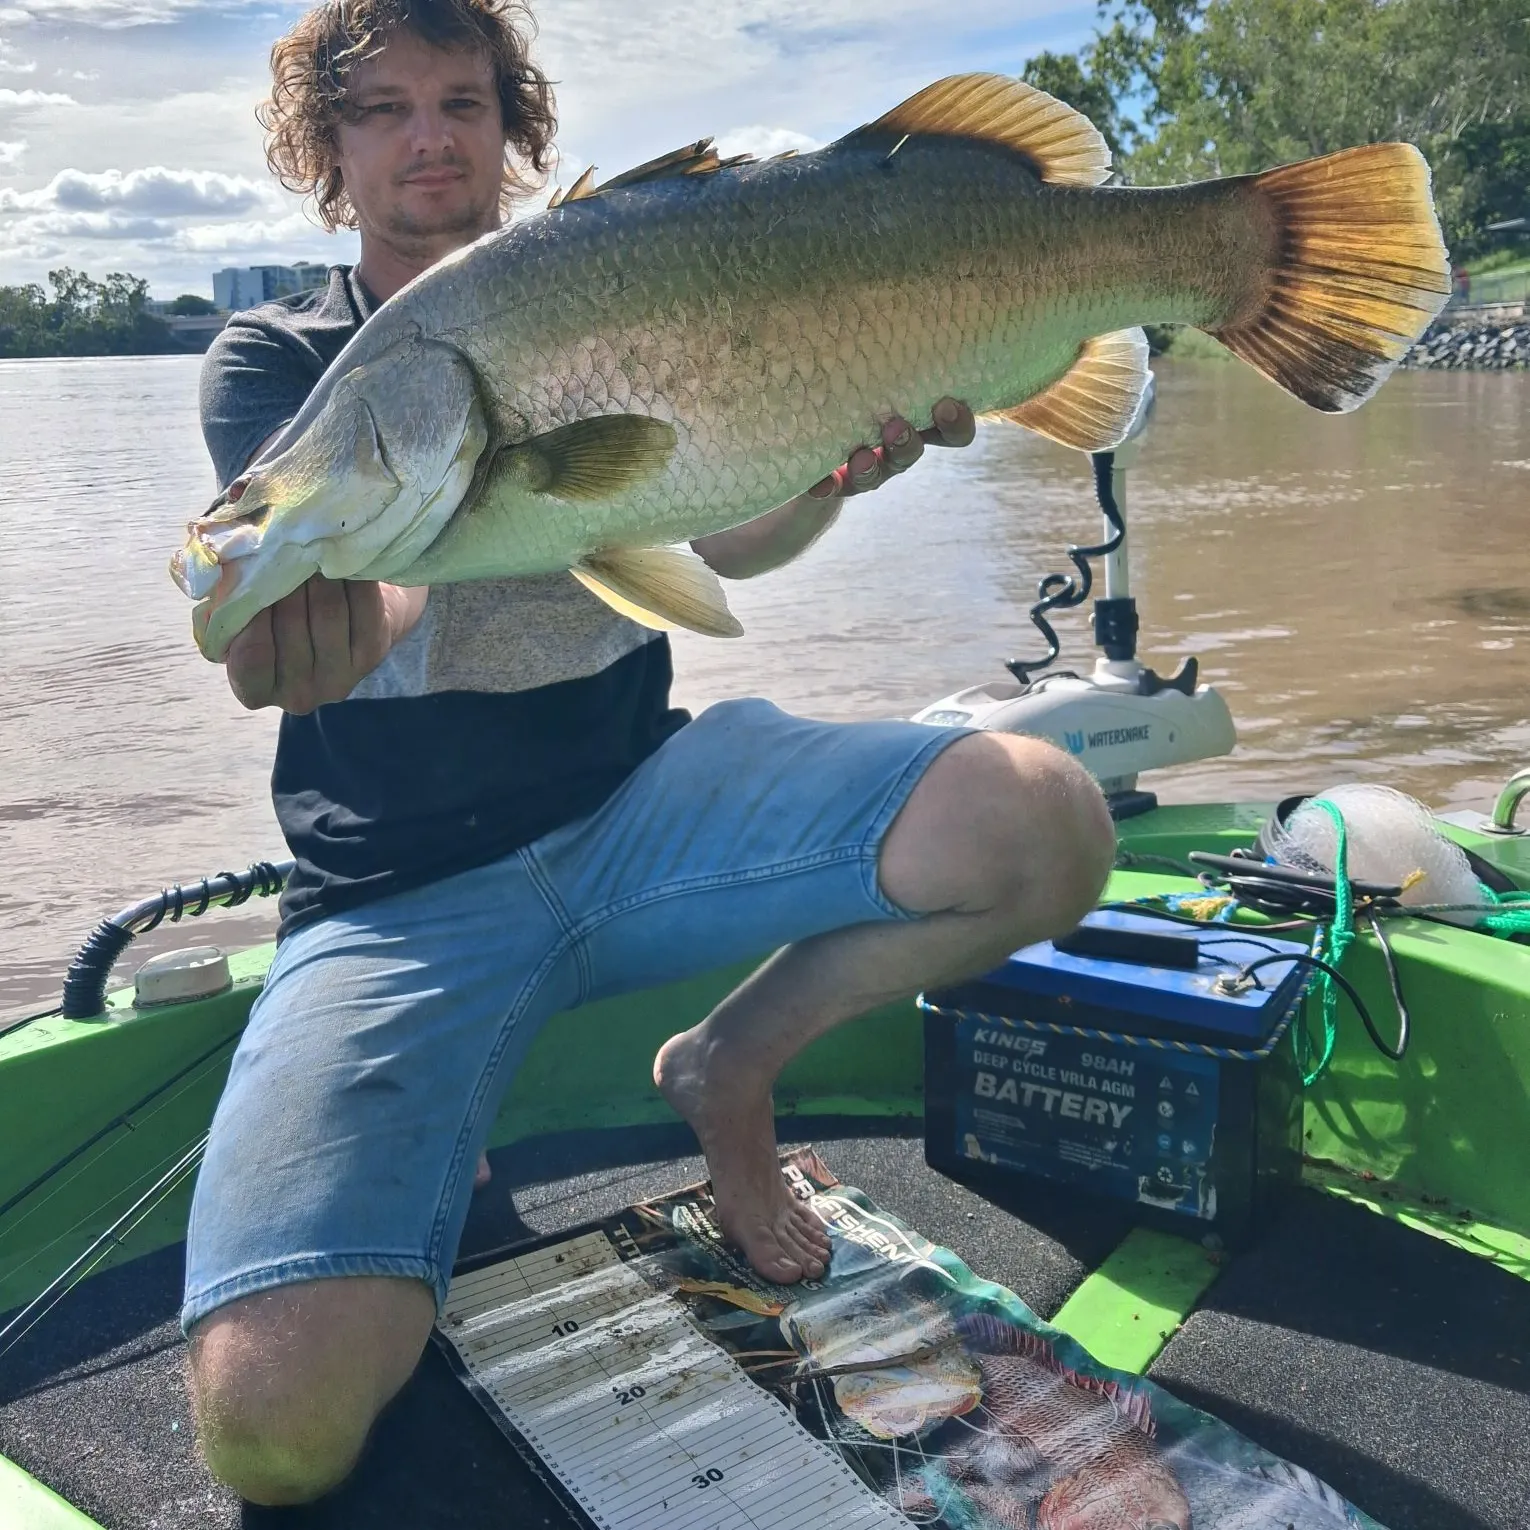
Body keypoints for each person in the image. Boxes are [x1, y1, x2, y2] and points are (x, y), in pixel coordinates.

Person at [186, 0, 1116, 1507]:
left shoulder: (614, 272)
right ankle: (433, 1150)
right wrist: (313, 624)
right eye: (385, 110)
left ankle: (727, 1067)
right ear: (327, 146)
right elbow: (366, 577)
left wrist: (830, 468)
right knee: (274, 1428)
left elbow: (722, 531)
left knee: (1047, 819)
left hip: (645, 809)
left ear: (511, 122)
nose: (431, 138)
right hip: (399, 893)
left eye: (465, 102)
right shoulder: (279, 359)